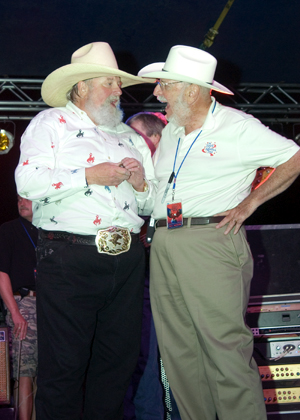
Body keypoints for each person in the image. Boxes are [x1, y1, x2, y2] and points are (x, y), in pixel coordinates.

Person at [137, 45, 300, 420]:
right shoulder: (172, 132)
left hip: (210, 241)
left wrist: (250, 203)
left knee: (224, 348)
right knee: (179, 353)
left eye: (164, 85)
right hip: (164, 241)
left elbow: (292, 156)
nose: (157, 92)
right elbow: (166, 190)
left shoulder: (237, 126)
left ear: (191, 90)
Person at [15, 42, 157, 420]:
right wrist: (89, 176)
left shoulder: (129, 136)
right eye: (109, 82)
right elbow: (27, 181)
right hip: (69, 258)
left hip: (127, 260)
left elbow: (150, 205)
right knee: (64, 366)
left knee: (116, 365)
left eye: (118, 84)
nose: (118, 91)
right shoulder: (51, 124)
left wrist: (142, 183)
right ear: (80, 87)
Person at [124, 112, 166, 420]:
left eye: (136, 137)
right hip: (135, 274)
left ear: (155, 139)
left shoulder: (169, 169)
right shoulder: (134, 172)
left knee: (152, 356)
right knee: (132, 353)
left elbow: (172, 211)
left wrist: (153, 232)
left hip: (162, 274)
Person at [0, 195, 38, 420]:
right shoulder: (9, 230)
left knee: (49, 372)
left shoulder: (50, 231)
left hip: (51, 305)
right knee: (24, 372)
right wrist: (15, 312)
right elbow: (1, 272)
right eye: (18, 199)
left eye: (28, 200)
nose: (22, 203)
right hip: (23, 304)